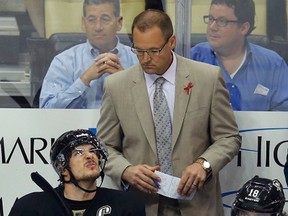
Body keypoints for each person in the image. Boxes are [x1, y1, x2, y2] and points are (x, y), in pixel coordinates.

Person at [96, 9, 241, 216]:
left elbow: (229, 137)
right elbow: (103, 146)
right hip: (141, 205)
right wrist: (126, 170)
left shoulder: (207, 78)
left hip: (197, 204)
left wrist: (204, 164)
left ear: (171, 42)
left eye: (154, 50)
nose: (145, 58)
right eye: (139, 50)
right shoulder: (116, 85)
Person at [9, 129, 146, 216]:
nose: (89, 156)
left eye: (93, 151)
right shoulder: (31, 207)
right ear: (62, 168)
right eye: (78, 152)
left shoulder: (126, 205)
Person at [190, 0, 288, 111]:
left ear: (243, 28)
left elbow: (283, 118)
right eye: (211, 19)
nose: (212, 27)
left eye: (222, 21)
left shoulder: (273, 65)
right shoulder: (193, 58)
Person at [39, 0, 138, 109]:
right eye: (91, 20)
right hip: (76, 125)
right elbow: (46, 110)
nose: (98, 27)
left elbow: (152, 110)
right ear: (83, 23)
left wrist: (126, 83)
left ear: (119, 23)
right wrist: (84, 80)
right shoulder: (64, 61)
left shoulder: (138, 59)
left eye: (105, 19)